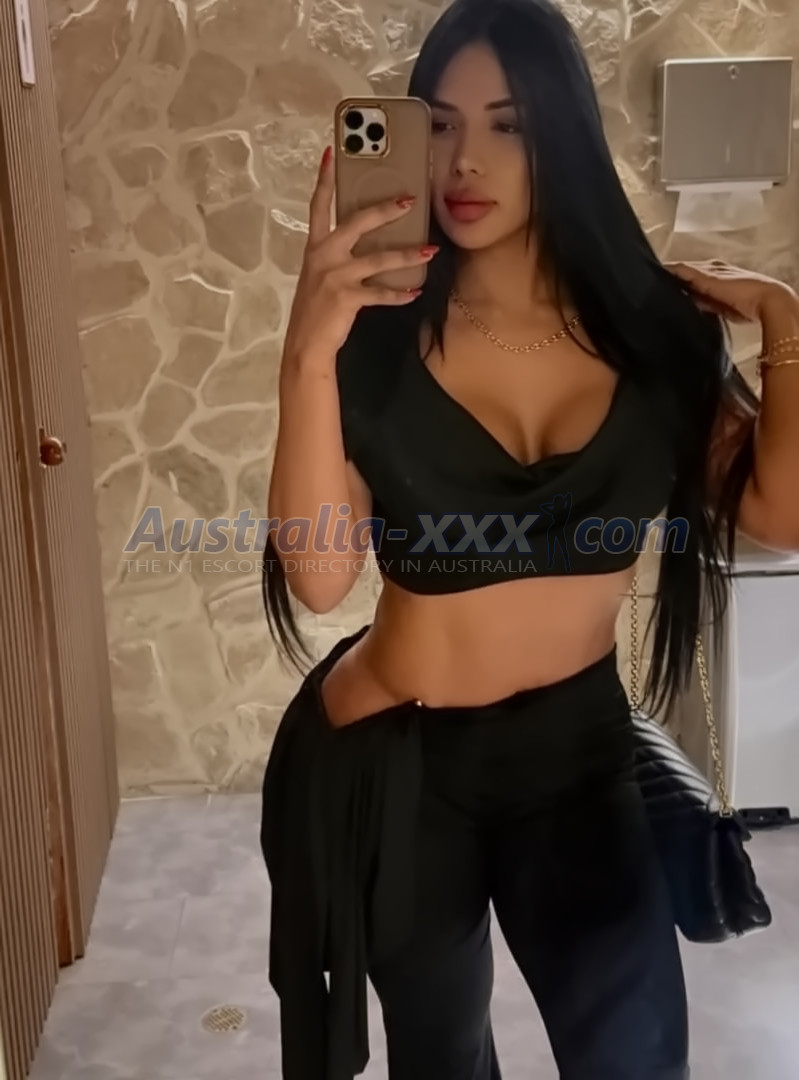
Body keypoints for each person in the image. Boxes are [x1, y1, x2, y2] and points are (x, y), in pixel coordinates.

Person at [258, 1, 799, 1077]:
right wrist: (306, 355)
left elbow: (776, 516)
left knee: (633, 1055)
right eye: (440, 124)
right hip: (399, 761)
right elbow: (318, 579)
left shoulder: (655, 334)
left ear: (564, 136)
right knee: (443, 1057)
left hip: (575, 750)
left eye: (507, 124)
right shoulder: (373, 338)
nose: (465, 159)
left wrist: (783, 319)